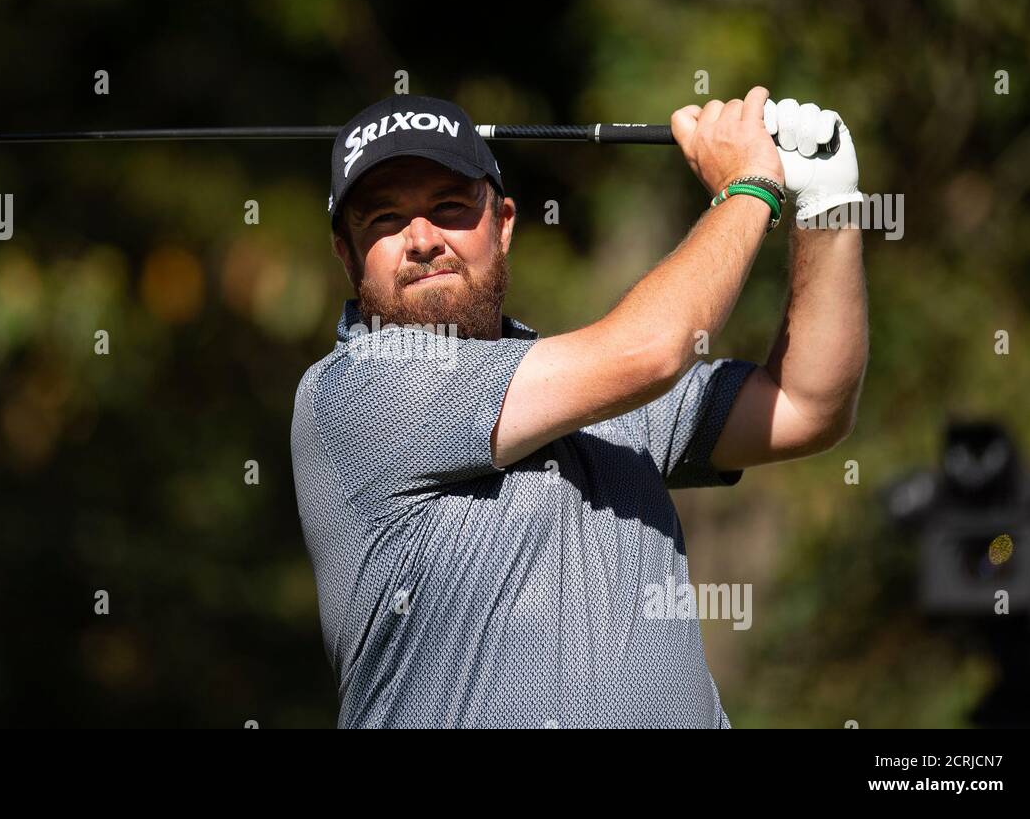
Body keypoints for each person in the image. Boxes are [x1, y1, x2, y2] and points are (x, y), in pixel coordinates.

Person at [290, 89, 867, 727]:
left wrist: (829, 210)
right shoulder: (355, 390)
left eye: (450, 207)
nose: (422, 239)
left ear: (503, 225)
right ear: (347, 255)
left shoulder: (590, 389)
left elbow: (809, 405)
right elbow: (650, 351)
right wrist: (751, 187)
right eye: (384, 220)